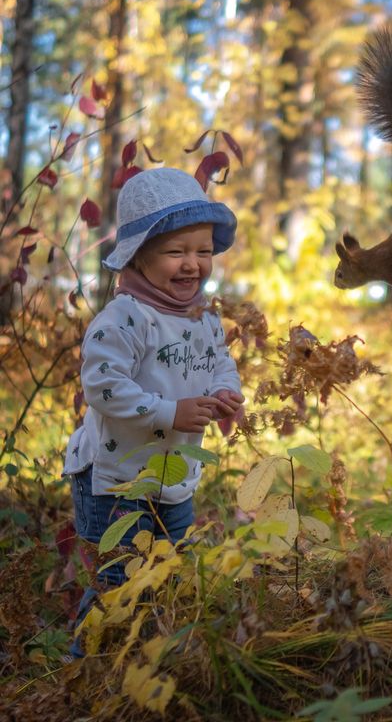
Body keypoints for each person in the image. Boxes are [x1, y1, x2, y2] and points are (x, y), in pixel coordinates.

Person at [64, 167, 244, 656]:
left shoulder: (203, 316)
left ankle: (147, 659)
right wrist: (170, 412)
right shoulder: (124, 317)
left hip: (174, 474)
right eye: (176, 252)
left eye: (203, 251)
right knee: (119, 579)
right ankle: (83, 668)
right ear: (140, 257)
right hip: (115, 477)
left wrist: (227, 392)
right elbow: (102, 387)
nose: (193, 265)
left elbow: (220, 362)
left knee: (170, 569)